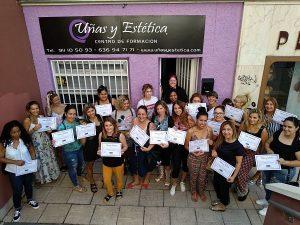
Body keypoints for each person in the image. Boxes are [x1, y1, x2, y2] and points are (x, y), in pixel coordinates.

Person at [256, 117, 300, 216]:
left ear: (296, 128)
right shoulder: (278, 132)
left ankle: (270, 207)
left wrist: (286, 162)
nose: (286, 129)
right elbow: (267, 143)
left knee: (275, 189)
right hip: (270, 164)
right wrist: (269, 150)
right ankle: (267, 199)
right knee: (267, 184)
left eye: (290, 127)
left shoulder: (297, 143)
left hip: (283, 170)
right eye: (284, 126)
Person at [0, 121, 39, 222]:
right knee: (17, 189)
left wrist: (34, 163)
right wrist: (15, 162)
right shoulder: (4, 143)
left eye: (18, 131)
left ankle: (30, 199)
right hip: (14, 171)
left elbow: (31, 150)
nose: (17, 134)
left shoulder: (25, 139)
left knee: (28, 184)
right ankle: (17, 208)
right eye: (13, 132)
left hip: (27, 168)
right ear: (8, 133)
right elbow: (1, 158)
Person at [210, 121, 244, 211]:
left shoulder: (238, 146)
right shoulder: (221, 139)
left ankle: (223, 204)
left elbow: (238, 163)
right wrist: (213, 151)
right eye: (224, 129)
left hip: (227, 172)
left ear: (233, 130)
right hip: (218, 168)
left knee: (224, 188)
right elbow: (215, 147)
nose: (226, 132)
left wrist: (233, 177)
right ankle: (220, 199)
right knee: (216, 184)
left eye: (228, 129)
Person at [23, 101, 60, 184]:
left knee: (49, 157)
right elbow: (25, 135)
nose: (35, 110)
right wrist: (33, 129)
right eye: (33, 109)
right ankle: (42, 178)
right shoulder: (27, 120)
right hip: (36, 144)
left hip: (45, 141)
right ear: (29, 110)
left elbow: (46, 129)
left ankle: (52, 175)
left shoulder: (41, 117)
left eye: (37, 108)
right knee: (41, 160)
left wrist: (49, 130)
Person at [235, 109, 268, 201]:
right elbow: (238, 137)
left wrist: (257, 157)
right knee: (234, 169)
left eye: (254, 117)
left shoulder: (262, 130)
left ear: (258, 118)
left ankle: (244, 190)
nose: (252, 119)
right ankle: (237, 185)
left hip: (252, 154)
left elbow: (263, 145)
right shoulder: (244, 124)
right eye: (250, 117)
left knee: (242, 172)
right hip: (241, 150)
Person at [184, 107, 213, 202]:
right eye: (201, 120)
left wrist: (211, 142)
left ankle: (201, 191)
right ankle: (193, 192)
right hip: (193, 157)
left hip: (204, 157)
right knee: (193, 175)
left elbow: (211, 142)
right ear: (196, 120)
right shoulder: (191, 131)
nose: (203, 123)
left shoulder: (209, 130)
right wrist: (193, 152)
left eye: (205, 121)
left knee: (203, 176)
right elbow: (186, 146)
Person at [57, 105, 86, 192]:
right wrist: (56, 141)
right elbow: (59, 142)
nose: (72, 116)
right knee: (72, 168)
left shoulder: (77, 122)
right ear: (65, 114)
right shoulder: (62, 126)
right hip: (69, 151)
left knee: (80, 164)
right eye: (70, 114)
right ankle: (76, 185)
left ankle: (79, 176)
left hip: (79, 148)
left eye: (74, 114)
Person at [98, 117, 128, 202]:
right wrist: (99, 151)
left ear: (114, 125)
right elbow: (99, 147)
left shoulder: (120, 135)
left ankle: (118, 191)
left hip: (118, 162)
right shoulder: (101, 135)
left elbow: (125, 146)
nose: (108, 127)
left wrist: (122, 150)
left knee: (119, 178)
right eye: (106, 125)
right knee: (106, 180)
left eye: (110, 125)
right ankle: (110, 193)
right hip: (106, 163)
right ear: (104, 126)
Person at [127, 106, 156, 189]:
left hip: (146, 148)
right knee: (133, 163)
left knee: (147, 164)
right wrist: (129, 134)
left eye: (143, 114)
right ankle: (136, 180)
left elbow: (154, 140)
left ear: (147, 115)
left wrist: (149, 148)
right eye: (139, 114)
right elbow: (131, 132)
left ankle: (146, 179)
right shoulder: (135, 120)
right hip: (135, 146)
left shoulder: (151, 125)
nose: (141, 116)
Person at [170, 101, 195, 196]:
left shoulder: (188, 117)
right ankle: (174, 184)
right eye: (175, 108)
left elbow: (194, 131)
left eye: (179, 108)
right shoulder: (174, 117)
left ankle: (182, 181)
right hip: (176, 145)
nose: (177, 110)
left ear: (183, 107)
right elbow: (172, 131)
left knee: (185, 165)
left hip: (186, 145)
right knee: (176, 165)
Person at [152, 100, 174, 186]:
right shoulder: (154, 118)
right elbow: (152, 130)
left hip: (166, 145)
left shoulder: (170, 118)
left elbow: (172, 133)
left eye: (161, 108)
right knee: (159, 161)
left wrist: (168, 143)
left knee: (167, 162)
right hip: (156, 144)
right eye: (157, 109)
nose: (159, 110)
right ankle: (161, 174)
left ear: (165, 108)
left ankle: (167, 177)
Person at [82, 103, 103, 193]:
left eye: (92, 110)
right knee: (90, 164)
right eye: (88, 111)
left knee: (104, 162)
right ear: (86, 113)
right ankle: (92, 181)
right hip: (90, 145)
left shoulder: (100, 117)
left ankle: (105, 178)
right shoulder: (84, 122)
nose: (91, 113)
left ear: (95, 110)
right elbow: (83, 139)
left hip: (101, 144)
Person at [45, 91, 66, 171]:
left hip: (65, 130)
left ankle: (69, 162)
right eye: (55, 100)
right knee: (59, 149)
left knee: (66, 147)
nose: (57, 101)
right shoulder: (49, 108)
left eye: (58, 99)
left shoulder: (64, 106)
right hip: (55, 131)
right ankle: (63, 164)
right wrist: (47, 100)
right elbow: (48, 114)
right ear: (51, 101)